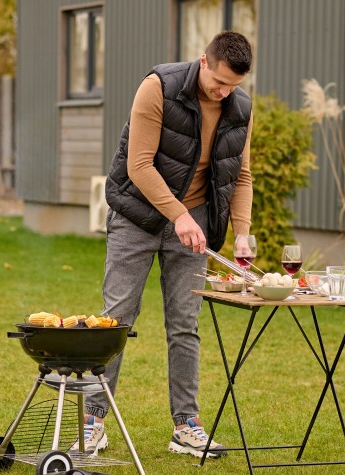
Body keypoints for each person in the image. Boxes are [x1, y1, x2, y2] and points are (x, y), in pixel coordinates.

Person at [77, 31, 254, 459]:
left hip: (192, 221)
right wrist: (177, 217)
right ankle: (93, 422)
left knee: (185, 325)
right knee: (116, 318)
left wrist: (242, 231)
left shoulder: (240, 106)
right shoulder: (158, 87)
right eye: (218, 83)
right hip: (138, 215)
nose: (223, 92)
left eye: (232, 85)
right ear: (204, 62)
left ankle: (186, 427)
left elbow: (241, 175)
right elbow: (138, 165)